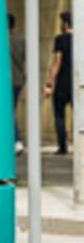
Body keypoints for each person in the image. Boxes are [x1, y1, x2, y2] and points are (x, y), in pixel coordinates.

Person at [47, 10, 74, 156]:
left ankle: (62, 146)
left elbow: (57, 61)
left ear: (65, 24)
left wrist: (49, 83)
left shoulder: (60, 39)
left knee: (59, 115)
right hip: (77, 84)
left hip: (62, 84)